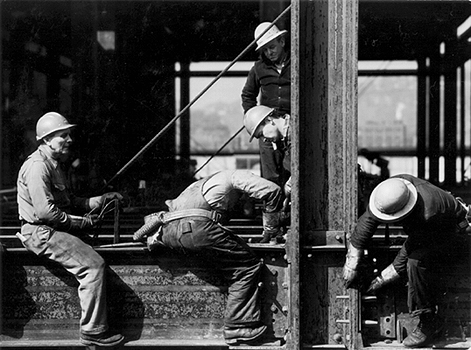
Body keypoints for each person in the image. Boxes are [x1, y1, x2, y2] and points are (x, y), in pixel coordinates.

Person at [133, 170, 286, 344]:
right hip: (195, 229)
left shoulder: (198, 185)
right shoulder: (235, 175)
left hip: (168, 232)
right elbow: (272, 190)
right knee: (246, 267)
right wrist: (271, 229)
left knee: (224, 259)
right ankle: (238, 326)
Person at [16, 112, 124, 347]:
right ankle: (93, 331)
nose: (69, 140)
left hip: (51, 229)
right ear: (46, 139)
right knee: (93, 265)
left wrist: (100, 200)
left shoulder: (55, 165)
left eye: (69, 135)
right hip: (42, 233)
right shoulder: (37, 167)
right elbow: (46, 214)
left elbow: (71, 200)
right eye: (63, 136)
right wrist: (83, 223)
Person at [342, 174, 470, 348]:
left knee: (415, 262)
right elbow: (368, 220)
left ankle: (428, 322)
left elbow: (408, 251)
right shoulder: (394, 187)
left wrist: (382, 279)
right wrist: (352, 261)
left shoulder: (429, 213)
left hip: (451, 231)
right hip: (428, 226)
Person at [241, 22, 291, 188]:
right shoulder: (258, 68)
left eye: (272, 47)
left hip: (293, 124)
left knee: (292, 171)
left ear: (282, 42)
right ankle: (272, 209)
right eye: (265, 50)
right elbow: (248, 95)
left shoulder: (297, 63)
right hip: (269, 123)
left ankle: (291, 207)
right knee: (270, 175)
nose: (269, 53)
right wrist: (256, 120)